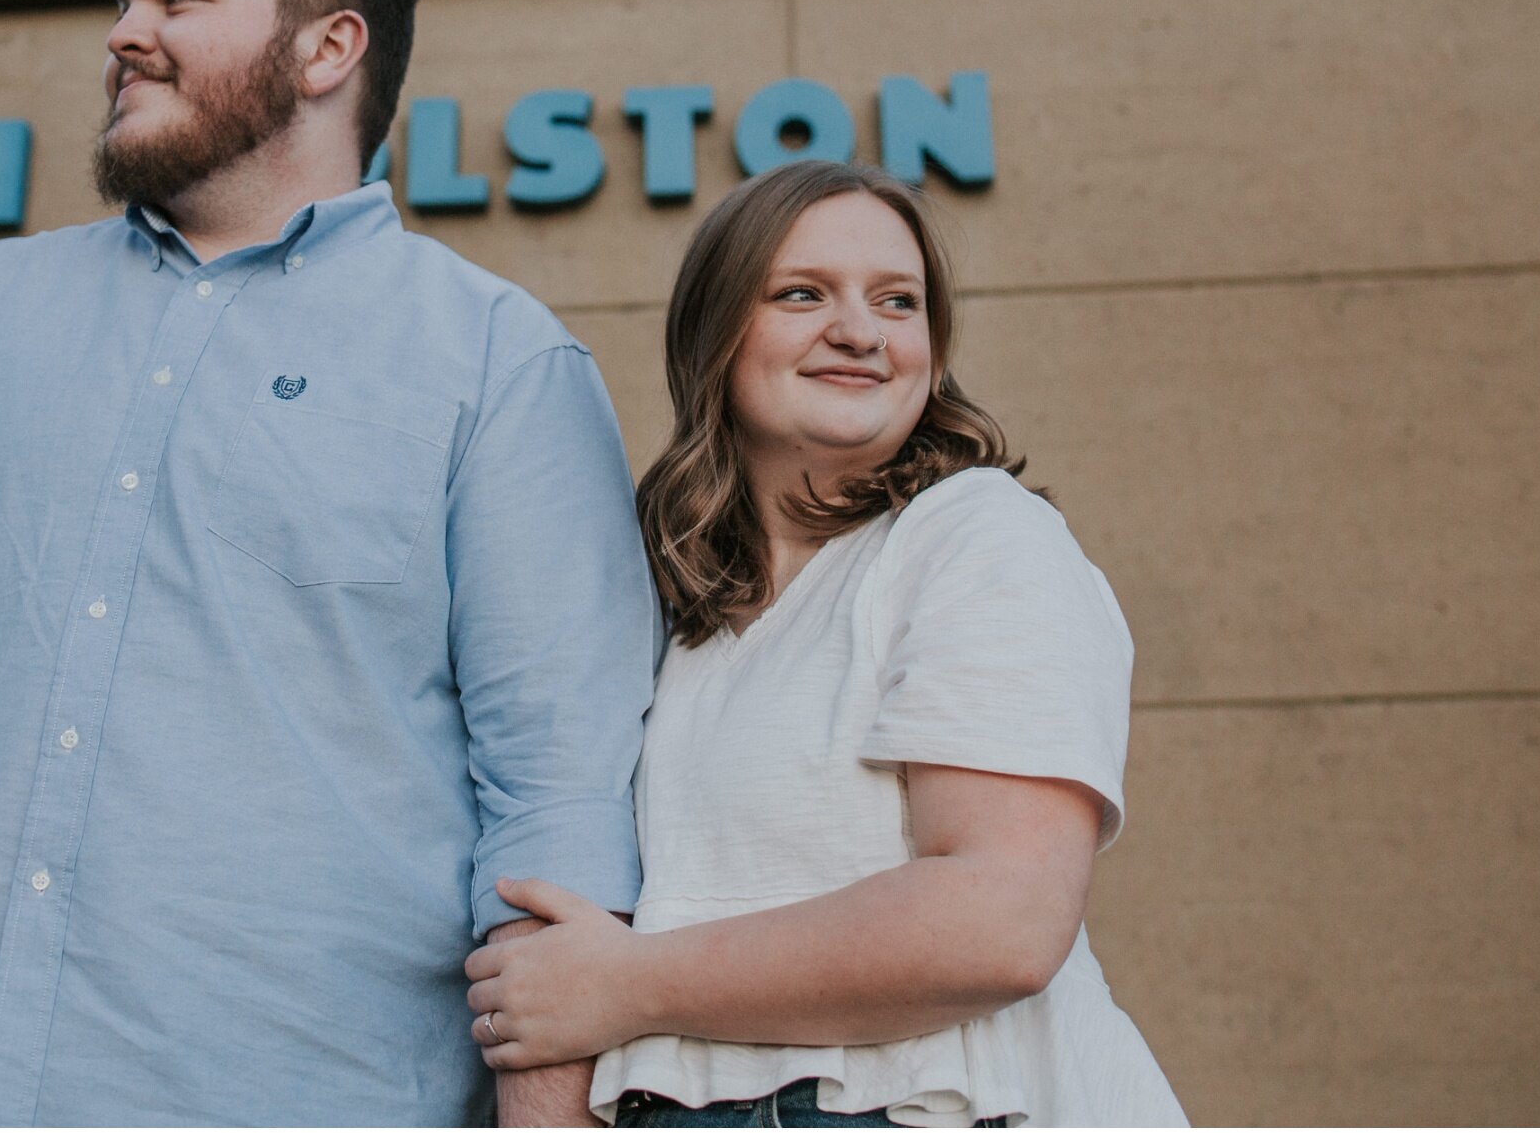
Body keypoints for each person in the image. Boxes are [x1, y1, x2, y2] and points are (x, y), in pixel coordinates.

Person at [0, 0, 659, 1127]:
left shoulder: (494, 362)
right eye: (124, 1)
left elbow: (556, 799)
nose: (122, 35)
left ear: (326, 48)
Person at [463, 161, 1185, 1128]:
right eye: (803, 294)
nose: (861, 330)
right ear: (717, 333)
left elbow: (999, 920)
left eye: (899, 300)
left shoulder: (974, 533)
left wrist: (628, 984)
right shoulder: (688, 620)